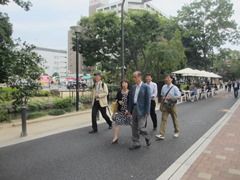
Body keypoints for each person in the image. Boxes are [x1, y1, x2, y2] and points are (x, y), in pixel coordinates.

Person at [127, 71, 151, 150]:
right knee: (134, 127)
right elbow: (130, 99)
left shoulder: (146, 87)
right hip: (134, 108)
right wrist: (129, 110)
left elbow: (148, 100)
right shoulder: (133, 87)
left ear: (140, 77)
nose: (134, 79)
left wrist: (147, 112)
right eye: (133, 77)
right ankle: (136, 143)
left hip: (142, 109)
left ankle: (147, 137)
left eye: (135, 77)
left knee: (141, 127)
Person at [156, 74, 181, 140]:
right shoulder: (164, 87)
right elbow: (162, 95)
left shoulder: (175, 87)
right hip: (165, 105)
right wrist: (162, 101)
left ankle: (177, 132)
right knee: (163, 119)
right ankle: (161, 134)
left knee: (174, 119)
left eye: (168, 78)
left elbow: (179, 96)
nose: (166, 79)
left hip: (172, 106)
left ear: (171, 79)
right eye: (166, 78)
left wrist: (171, 97)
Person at [111, 79, 132, 144]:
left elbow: (131, 102)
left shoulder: (130, 92)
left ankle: (135, 137)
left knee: (132, 124)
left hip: (128, 111)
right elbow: (116, 99)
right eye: (123, 83)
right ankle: (115, 137)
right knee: (117, 123)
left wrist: (129, 110)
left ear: (128, 84)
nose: (124, 84)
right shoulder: (119, 92)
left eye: (125, 83)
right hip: (120, 111)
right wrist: (118, 101)